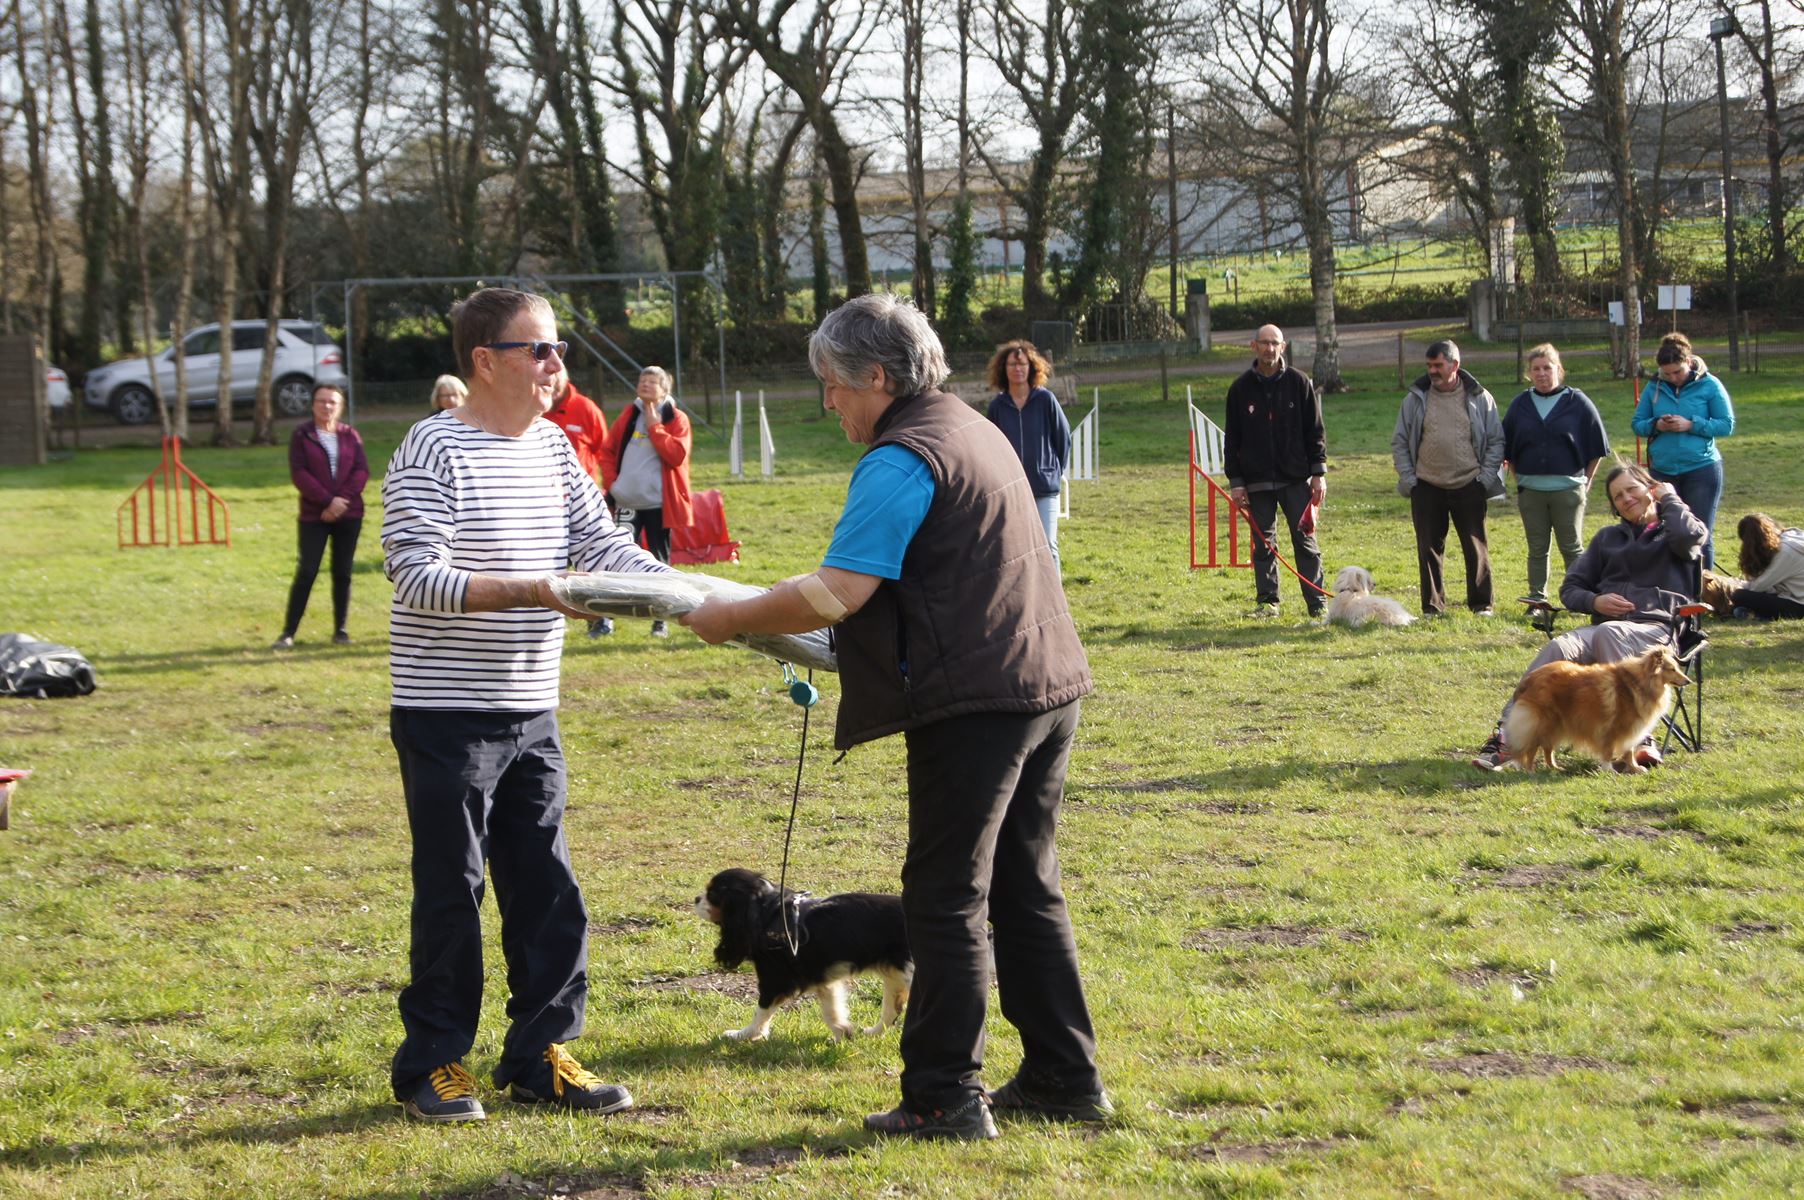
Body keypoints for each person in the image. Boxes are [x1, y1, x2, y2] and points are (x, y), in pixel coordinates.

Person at [682, 294, 1107, 1143]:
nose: (827, 402)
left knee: (944, 901)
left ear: (877, 376)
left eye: (833, 385)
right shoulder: (971, 426)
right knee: (1025, 889)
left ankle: (942, 1094)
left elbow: (840, 590)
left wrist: (727, 616)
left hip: (978, 701)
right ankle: (1064, 1076)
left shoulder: (900, 456)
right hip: (1047, 684)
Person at [381, 287, 674, 1123]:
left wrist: (697, 596)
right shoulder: (431, 448)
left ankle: (540, 1055)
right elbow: (418, 575)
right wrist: (543, 590)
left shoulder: (551, 448)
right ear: (485, 360)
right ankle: (432, 1064)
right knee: (453, 892)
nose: (557, 365)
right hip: (446, 716)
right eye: (539, 350)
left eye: (558, 349)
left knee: (547, 889)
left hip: (531, 712)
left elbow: (603, 546)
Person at [1472, 461, 1706, 772]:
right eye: (1618, 496)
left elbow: (1691, 538)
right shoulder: (1608, 539)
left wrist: (1671, 499)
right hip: (1603, 627)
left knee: (1610, 633)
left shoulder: (1675, 531)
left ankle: (1638, 739)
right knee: (1559, 649)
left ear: (1651, 489)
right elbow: (1570, 588)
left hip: (1655, 632)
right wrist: (1596, 600)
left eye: (1632, 490)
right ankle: (1506, 737)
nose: (1626, 499)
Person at [1392, 339, 1505, 616]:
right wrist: (1410, 479)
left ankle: (1482, 605)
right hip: (1426, 485)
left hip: (1470, 484)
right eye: (1429, 365)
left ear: (1455, 365)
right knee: (1428, 549)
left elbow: (1495, 441)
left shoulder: (1480, 397)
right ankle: (1432, 607)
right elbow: (1400, 441)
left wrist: (1485, 478)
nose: (1433, 371)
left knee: (1475, 547)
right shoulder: (1415, 398)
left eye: (1438, 365)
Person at [1223, 324, 1326, 619]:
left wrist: (1318, 473)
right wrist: (1237, 482)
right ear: (1254, 346)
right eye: (1265, 343)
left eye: (1275, 344)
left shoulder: (1299, 383)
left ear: (1283, 347)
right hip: (1255, 482)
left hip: (1295, 478)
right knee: (1263, 545)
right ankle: (1268, 602)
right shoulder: (1240, 389)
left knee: (1305, 541)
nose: (1270, 349)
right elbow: (1233, 440)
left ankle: (1317, 603)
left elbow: (1315, 432)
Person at [1501, 344, 1609, 605]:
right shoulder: (1521, 404)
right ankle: (1537, 599)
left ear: (1559, 369)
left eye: (1547, 368)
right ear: (1529, 373)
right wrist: (1520, 479)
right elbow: (1506, 448)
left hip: (1568, 489)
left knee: (1572, 547)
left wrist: (1586, 480)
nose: (1541, 374)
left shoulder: (1577, 402)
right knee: (1537, 548)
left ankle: (1580, 598)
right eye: (1535, 369)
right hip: (1531, 491)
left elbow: (1598, 446)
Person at [273, 384, 369, 649]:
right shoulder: (302, 435)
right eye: (322, 401)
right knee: (307, 571)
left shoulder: (351, 435)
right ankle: (288, 632)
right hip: (314, 515)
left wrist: (342, 502)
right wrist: (328, 501)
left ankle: (341, 630)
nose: (327, 406)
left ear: (341, 407)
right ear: (313, 404)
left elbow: (361, 471)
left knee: (343, 572)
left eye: (333, 402)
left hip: (349, 514)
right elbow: (300, 473)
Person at [601, 366, 693, 638]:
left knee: (658, 562)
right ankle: (605, 619)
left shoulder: (676, 418)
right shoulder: (629, 415)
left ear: (665, 389)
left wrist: (655, 427)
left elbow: (676, 455)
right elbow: (607, 450)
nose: (645, 384)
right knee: (615, 559)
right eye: (642, 380)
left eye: (652, 381)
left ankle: (661, 619)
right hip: (627, 502)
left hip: (658, 506)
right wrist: (613, 484)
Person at [1632, 332, 1735, 568]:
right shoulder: (1654, 387)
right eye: (1666, 373)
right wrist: (1656, 425)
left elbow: (1726, 424)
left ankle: (1703, 595)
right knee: (1665, 532)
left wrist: (1691, 424)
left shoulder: (1710, 385)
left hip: (1702, 469)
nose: (1673, 378)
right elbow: (1637, 424)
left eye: (1677, 372)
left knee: (1700, 532)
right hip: (1663, 471)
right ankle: (1672, 590)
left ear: (1689, 362)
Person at [542, 368, 619, 638]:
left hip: (581, 503)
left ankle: (601, 618)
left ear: (565, 378)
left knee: (592, 565)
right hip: (546, 504)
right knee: (552, 565)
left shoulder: (586, 409)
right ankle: (551, 617)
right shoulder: (536, 408)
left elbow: (601, 448)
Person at [983, 339, 1071, 571]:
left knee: (1048, 545)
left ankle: (1055, 600)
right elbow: (991, 448)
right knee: (1016, 547)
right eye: (1012, 364)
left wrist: (1052, 471)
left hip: (1044, 488)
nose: (1018, 369)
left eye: (1022, 364)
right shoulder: (997, 407)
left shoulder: (1045, 400)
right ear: (1003, 369)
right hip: (1012, 488)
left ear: (1032, 367)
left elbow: (1063, 438)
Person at [1728, 512, 1804, 619]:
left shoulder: (1785, 552)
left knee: (1739, 595)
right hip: (1795, 595)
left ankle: (1758, 615)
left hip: (1799, 604)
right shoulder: (1792, 535)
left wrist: (1735, 584)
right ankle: (1756, 614)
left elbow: (1758, 586)